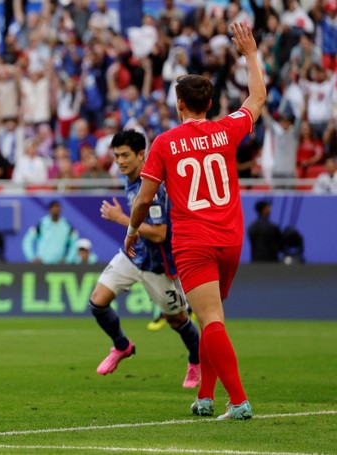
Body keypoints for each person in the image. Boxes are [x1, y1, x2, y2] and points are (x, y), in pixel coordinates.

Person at [125, 23, 266, 420]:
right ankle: (205, 396)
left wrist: (132, 230)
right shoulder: (226, 130)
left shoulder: (166, 143)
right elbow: (257, 98)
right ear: (208, 103)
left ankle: (238, 401)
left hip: (194, 242)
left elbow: (144, 199)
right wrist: (251, 54)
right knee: (212, 315)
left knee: (211, 318)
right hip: (231, 239)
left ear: (180, 104)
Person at [92, 130, 200, 389]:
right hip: (133, 256)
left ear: (142, 155)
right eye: (116, 155)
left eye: (125, 155)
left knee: (177, 320)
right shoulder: (130, 181)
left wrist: (121, 219)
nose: (120, 161)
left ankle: (197, 361)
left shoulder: (152, 188)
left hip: (159, 265)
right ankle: (122, 346)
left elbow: (159, 233)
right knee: (98, 302)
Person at [22, 200, 78, 264]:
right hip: (42, 263)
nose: (55, 210)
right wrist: (32, 257)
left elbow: (74, 243)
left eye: (57, 207)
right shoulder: (42, 224)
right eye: (53, 207)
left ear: (60, 209)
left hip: (58, 264)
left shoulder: (66, 225)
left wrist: (68, 260)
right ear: (49, 210)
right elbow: (28, 240)